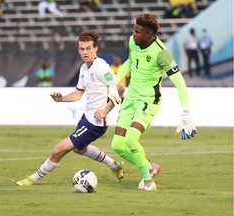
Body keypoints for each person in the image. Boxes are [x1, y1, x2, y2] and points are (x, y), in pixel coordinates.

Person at [96, 13, 197, 191]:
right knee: (117, 145)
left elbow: (180, 82)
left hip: (149, 101)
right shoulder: (132, 42)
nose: (133, 34)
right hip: (130, 99)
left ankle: (148, 180)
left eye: (137, 31)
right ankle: (150, 166)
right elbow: (130, 62)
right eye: (134, 30)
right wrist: (115, 82)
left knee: (131, 139)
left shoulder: (161, 53)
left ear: (148, 35)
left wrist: (185, 111)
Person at [16, 30, 125, 186]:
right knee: (79, 148)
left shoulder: (100, 67)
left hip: (96, 123)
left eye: (88, 48)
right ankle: (114, 165)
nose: (85, 52)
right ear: (78, 50)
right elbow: (78, 94)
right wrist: (62, 99)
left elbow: (120, 90)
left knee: (58, 150)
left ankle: (33, 179)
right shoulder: (84, 68)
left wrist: (106, 110)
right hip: (86, 118)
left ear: (96, 49)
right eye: (82, 49)